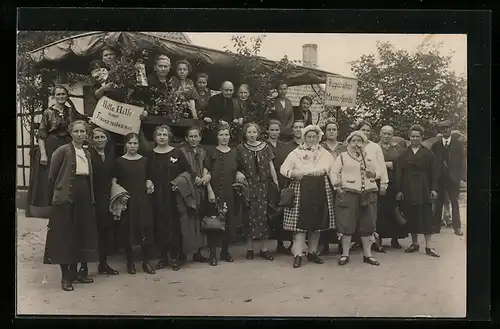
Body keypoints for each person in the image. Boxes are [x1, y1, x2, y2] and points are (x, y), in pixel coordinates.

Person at [43, 120, 98, 291]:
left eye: (83, 131)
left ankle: (78, 273)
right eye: (76, 131)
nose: (80, 134)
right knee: (64, 235)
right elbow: (53, 175)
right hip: (66, 196)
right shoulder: (63, 151)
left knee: (81, 233)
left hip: (84, 194)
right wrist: (60, 191)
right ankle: (66, 277)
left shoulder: (87, 153)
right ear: (71, 133)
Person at [280, 125, 336, 268]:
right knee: (300, 225)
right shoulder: (296, 153)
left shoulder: (324, 153)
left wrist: (337, 185)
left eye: (314, 137)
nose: (312, 139)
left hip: (320, 187)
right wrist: (293, 174)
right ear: (304, 137)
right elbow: (283, 169)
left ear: (318, 138)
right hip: (301, 187)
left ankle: (312, 253)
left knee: (317, 224)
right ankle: (298, 254)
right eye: (309, 137)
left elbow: (333, 170)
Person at [27, 85, 86, 218]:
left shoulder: (71, 112)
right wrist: (43, 154)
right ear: (54, 96)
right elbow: (42, 135)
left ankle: (66, 207)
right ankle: (49, 210)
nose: (61, 97)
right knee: (51, 176)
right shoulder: (48, 112)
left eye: (63, 94)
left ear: (67, 96)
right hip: (51, 146)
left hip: (67, 145)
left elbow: (80, 124)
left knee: (67, 174)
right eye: (58, 94)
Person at [330, 130, 382, 266]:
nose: (356, 144)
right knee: (347, 224)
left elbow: (380, 171)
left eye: (359, 141)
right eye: (353, 141)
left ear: (364, 143)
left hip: (368, 193)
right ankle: (345, 254)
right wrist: (337, 187)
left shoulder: (369, 157)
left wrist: (374, 174)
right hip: (349, 194)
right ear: (348, 143)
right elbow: (333, 172)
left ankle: (367, 255)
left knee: (368, 224)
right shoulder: (342, 157)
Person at [147, 125, 190, 271]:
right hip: (157, 194)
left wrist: (179, 183)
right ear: (155, 137)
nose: (162, 137)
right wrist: (148, 180)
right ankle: (162, 257)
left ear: (169, 137)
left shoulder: (177, 152)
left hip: (173, 194)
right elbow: (145, 172)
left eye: (164, 134)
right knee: (160, 224)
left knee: (174, 225)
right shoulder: (150, 154)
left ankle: (175, 257)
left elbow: (187, 171)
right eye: (159, 134)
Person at [111, 133, 156, 275]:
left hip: (142, 199)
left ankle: (146, 262)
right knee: (128, 231)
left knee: (144, 229)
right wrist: (119, 195)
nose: (132, 146)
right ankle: (130, 262)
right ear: (125, 145)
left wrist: (149, 181)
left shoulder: (145, 161)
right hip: (127, 200)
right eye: (130, 143)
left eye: (135, 143)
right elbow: (114, 181)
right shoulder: (119, 161)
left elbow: (149, 176)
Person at [236, 123, 280, 261]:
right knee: (249, 215)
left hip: (263, 185)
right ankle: (250, 249)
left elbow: (270, 164)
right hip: (249, 185)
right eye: (249, 132)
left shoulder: (265, 147)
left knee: (264, 215)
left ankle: (264, 248)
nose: (252, 134)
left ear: (258, 133)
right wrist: (238, 173)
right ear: (245, 134)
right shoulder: (240, 148)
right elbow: (236, 166)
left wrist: (275, 181)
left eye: (254, 132)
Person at [396, 124, 440, 257]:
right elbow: (399, 173)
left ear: (422, 137)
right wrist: (399, 190)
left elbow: (434, 173)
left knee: (426, 216)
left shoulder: (428, 153)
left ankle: (429, 246)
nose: (415, 138)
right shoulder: (403, 153)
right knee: (411, 216)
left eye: (417, 136)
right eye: (412, 136)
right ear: (409, 137)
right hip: (408, 187)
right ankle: (414, 244)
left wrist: (434, 189)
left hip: (424, 187)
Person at [206, 124, 246, 265]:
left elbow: (240, 168)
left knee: (228, 222)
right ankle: (212, 254)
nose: (224, 138)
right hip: (215, 192)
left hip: (230, 192)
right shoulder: (211, 152)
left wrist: (240, 172)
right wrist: (209, 190)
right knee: (213, 223)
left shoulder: (235, 152)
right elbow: (206, 172)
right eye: (221, 135)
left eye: (226, 135)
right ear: (217, 137)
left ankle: (225, 251)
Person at [176, 127, 212, 267]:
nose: (193, 139)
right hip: (187, 189)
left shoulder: (203, 151)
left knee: (198, 220)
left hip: (200, 189)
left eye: (196, 136)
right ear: (186, 138)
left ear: (200, 137)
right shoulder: (181, 151)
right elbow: (180, 169)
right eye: (191, 136)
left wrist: (205, 177)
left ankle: (198, 252)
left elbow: (207, 166)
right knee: (186, 221)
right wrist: (192, 177)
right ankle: (183, 254)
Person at [88, 127, 119, 276]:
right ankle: (84, 267)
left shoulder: (110, 154)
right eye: (97, 137)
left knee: (106, 230)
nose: (100, 140)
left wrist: (114, 184)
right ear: (92, 140)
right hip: (92, 195)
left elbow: (114, 172)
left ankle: (103, 263)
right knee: (92, 230)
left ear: (107, 139)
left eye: (102, 137)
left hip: (107, 195)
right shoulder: (89, 154)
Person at [273, 120, 305, 253]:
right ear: (293, 130)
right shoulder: (286, 147)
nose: (298, 130)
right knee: (288, 213)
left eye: (301, 127)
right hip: (291, 184)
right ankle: (282, 243)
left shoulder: (308, 145)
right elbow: (282, 166)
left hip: (306, 184)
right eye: (296, 127)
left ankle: (299, 244)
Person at [355, 121, 388, 253]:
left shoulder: (375, 147)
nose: (365, 133)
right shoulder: (353, 145)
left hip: (372, 183)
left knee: (371, 214)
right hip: (355, 184)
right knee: (357, 213)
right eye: (363, 130)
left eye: (368, 130)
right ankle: (358, 241)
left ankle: (374, 241)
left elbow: (382, 167)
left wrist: (384, 183)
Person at [431, 120, 465, 236]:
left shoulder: (457, 144)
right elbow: (433, 164)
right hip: (440, 178)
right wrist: (434, 179)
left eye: (448, 128)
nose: (445, 130)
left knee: (454, 202)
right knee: (438, 202)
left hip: (453, 178)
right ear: (440, 130)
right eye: (443, 128)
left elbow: (461, 162)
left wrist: (460, 178)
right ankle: (436, 227)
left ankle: (457, 227)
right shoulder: (436, 145)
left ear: (451, 129)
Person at [376, 126, 408, 249]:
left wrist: (392, 164)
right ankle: (378, 240)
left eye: (389, 134)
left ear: (392, 135)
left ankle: (395, 239)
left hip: (394, 183)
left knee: (394, 210)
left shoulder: (397, 148)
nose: (386, 136)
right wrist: (385, 165)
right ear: (380, 134)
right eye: (384, 133)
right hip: (379, 183)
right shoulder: (375, 147)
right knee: (380, 212)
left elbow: (402, 164)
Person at [318, 118, 347, 255]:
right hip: (324, 183)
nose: (331, 132)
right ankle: (324, 244)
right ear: (325, 132)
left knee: (341, 212)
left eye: (333, 129)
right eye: (328, 129)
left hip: (341, 182)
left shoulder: (344, 147)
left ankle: (342, 244)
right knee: (325, 213)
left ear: (337, 132)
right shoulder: (320, 147)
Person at [205, 81, 237, 145]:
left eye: (231, 90)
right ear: (221, 90)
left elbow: (230, 114)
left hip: (227, 125)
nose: (229, 92)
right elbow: (210, 114)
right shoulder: (213, 99)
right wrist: (220, 121)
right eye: (226, 90)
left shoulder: (231, 101)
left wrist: (229, 120)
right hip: (214, 126)